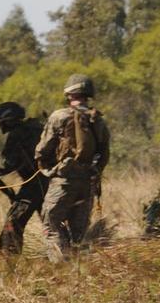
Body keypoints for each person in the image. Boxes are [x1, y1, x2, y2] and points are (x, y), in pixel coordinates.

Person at [35, 74, 110, 261]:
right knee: (79, 232)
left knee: (52, 224)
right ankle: (79, 268)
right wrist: (94, 172)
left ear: (69, 94)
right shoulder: (98, 120)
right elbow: (104, 154)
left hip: (63, 181)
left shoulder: (59, 116)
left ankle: (61, 268)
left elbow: (42, 150)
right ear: (88, 94)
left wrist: (46, 165)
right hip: (87, 182)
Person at [0, 101, 47, 254]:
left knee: (13, 224)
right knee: (51, 224)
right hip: (50, 182)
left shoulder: (17, 133)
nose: (0, 125)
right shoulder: (36, 128)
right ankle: (68, 253)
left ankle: (9, 260)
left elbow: (7, 165)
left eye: (1, 121)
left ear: (9, 120)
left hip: (34, 185)